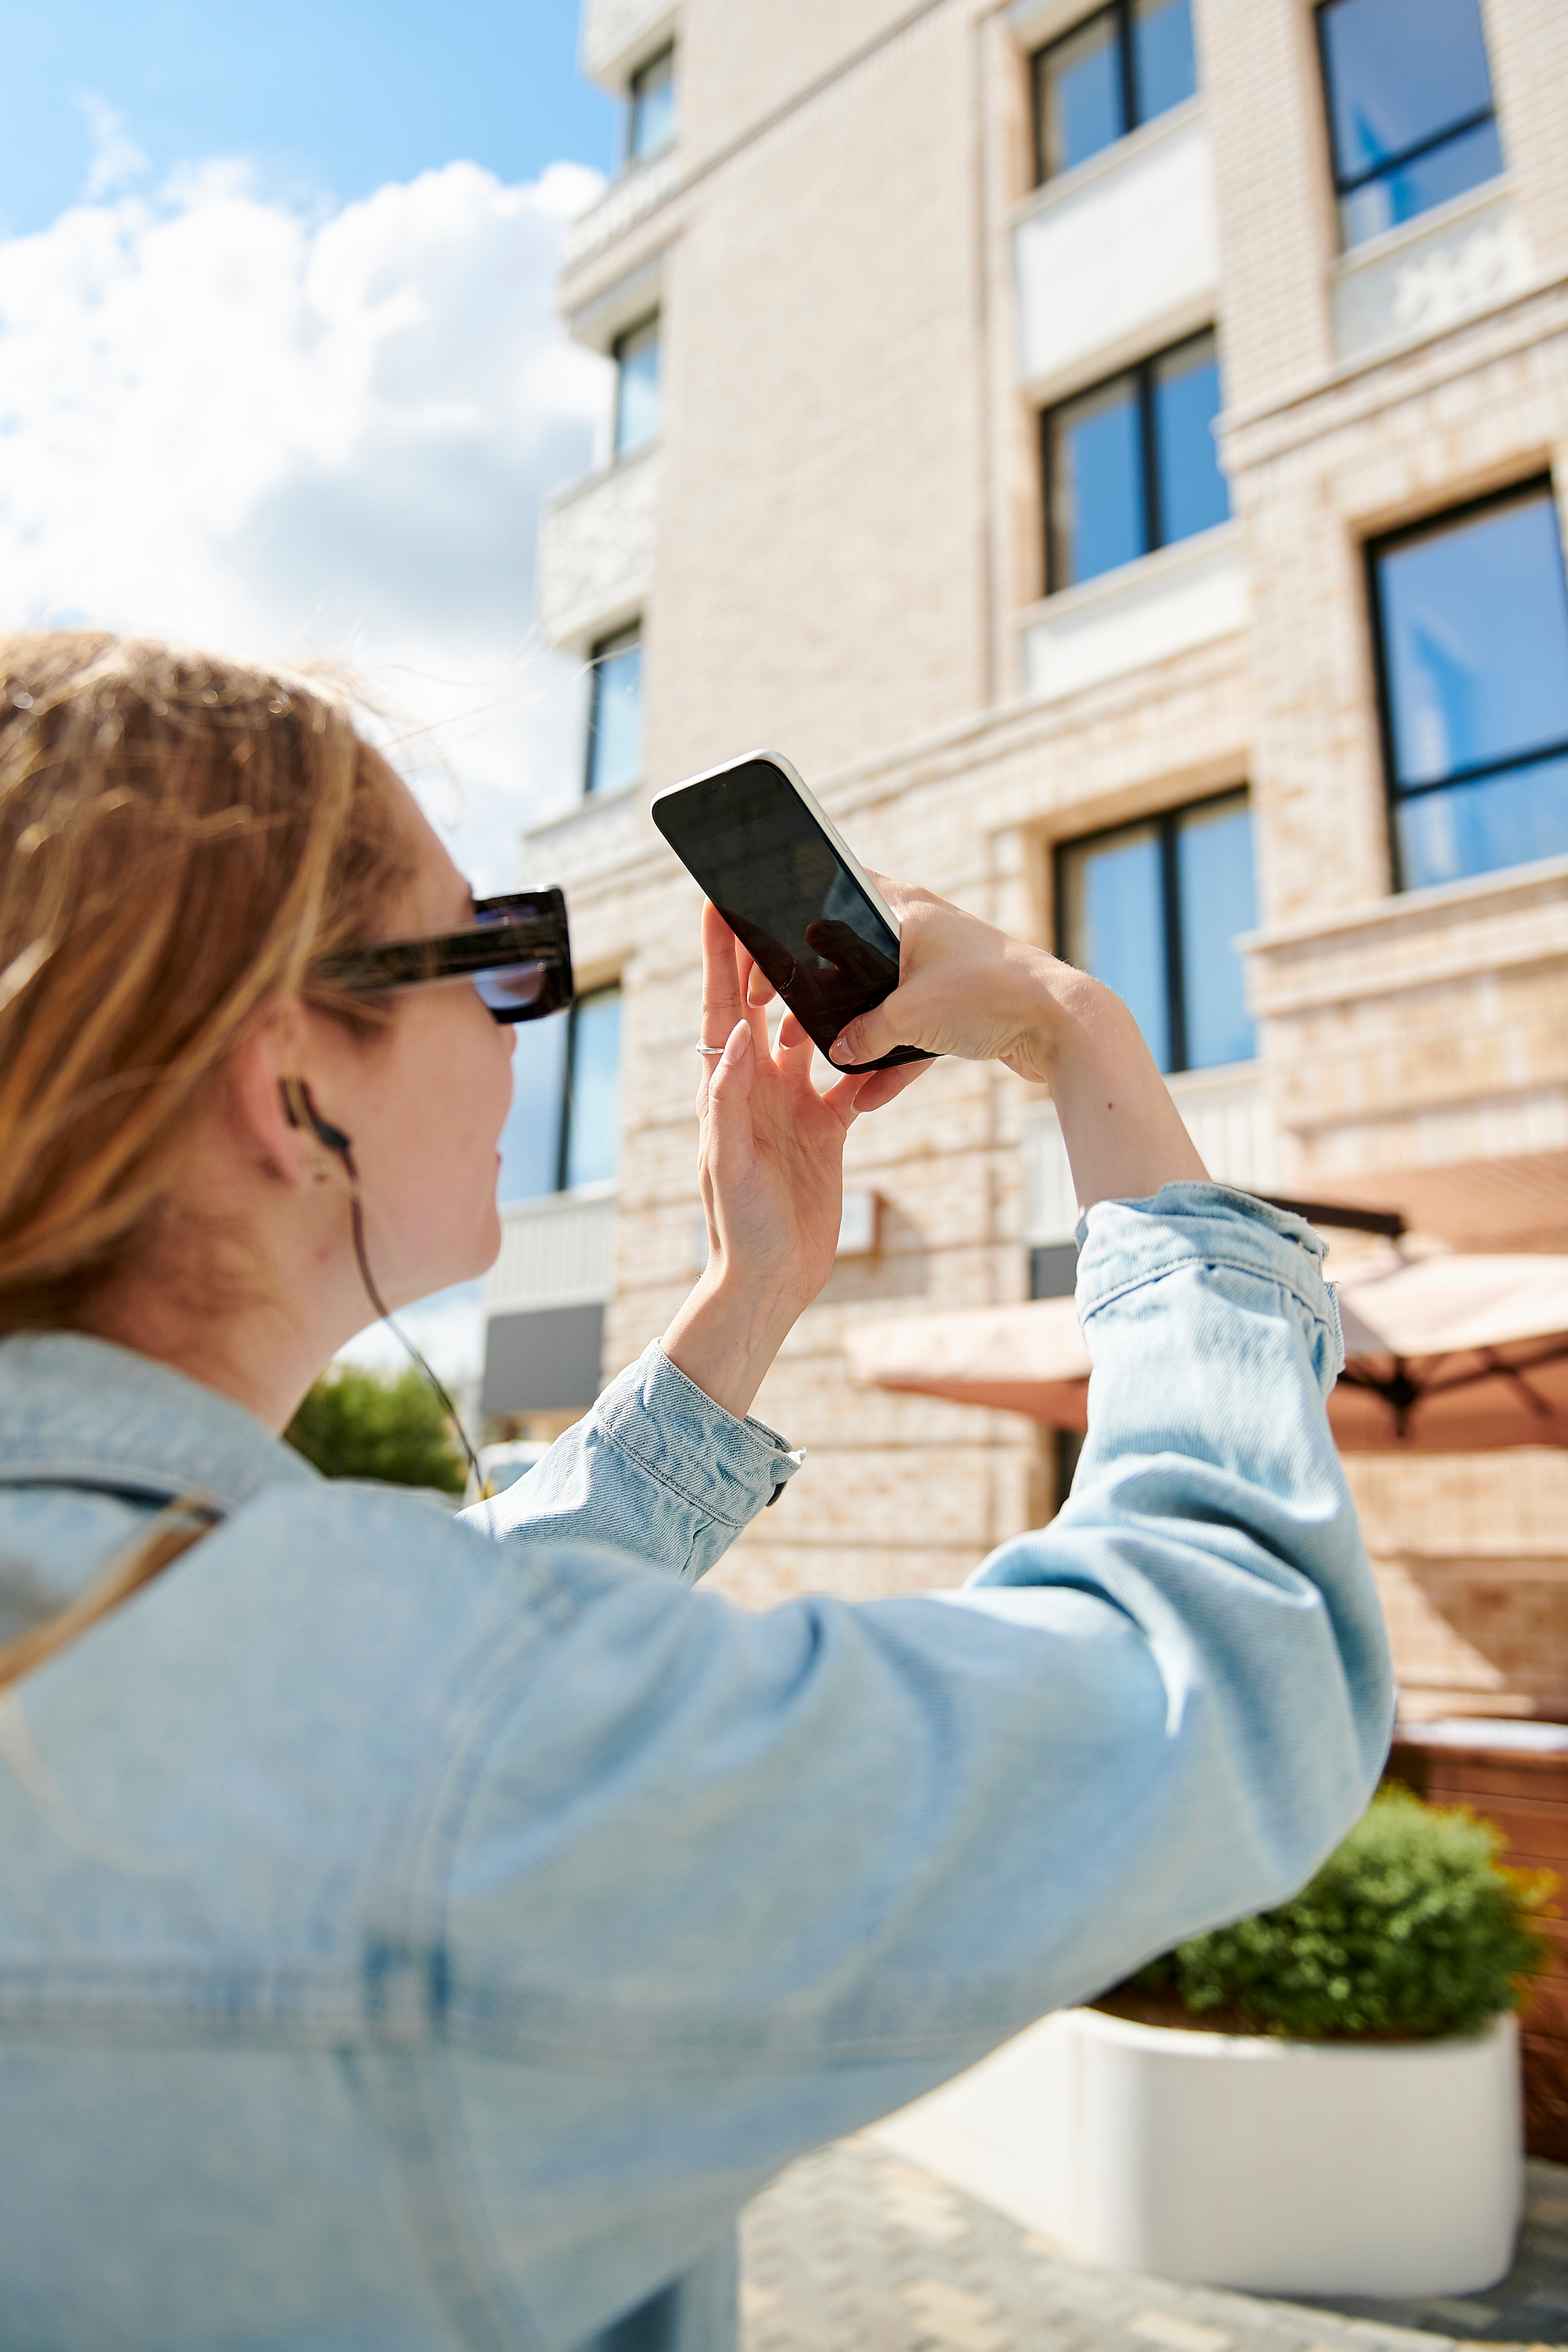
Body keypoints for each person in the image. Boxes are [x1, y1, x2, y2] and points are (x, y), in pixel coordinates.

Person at [0, 633, 1391, 2351]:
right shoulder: (427, 1743)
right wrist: (1067, 1027)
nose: (532, 1036)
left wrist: (757, 1285)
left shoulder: (159, 1626)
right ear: (286, 1080)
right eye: (499, 959)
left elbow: (479, 1595)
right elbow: (1235, 1670)